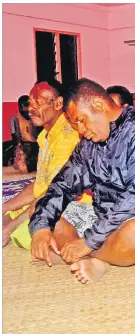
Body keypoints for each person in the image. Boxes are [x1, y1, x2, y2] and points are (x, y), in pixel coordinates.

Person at [28, 78, 135, 284]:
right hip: (105, 219)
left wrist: (89, 241)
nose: (80, 129)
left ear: (98, 105)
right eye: (74, 124)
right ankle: (100, 257)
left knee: (134, 232)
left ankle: (95, 259)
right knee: (44, 212)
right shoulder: (89, 143)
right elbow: (63, 184)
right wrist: (41, 227)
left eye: (81, 120)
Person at [2, 79, 86, 248]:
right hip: (44, 201)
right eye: (30, 103)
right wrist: (4, 208)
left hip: (69, 205)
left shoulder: (68, 136)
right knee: (6, 217)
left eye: (38, 103)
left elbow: (55, 192)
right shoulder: (44, 136)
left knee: (25, 236)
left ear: (58, 103)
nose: (31, 109)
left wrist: (12, 226)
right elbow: (39, 185)